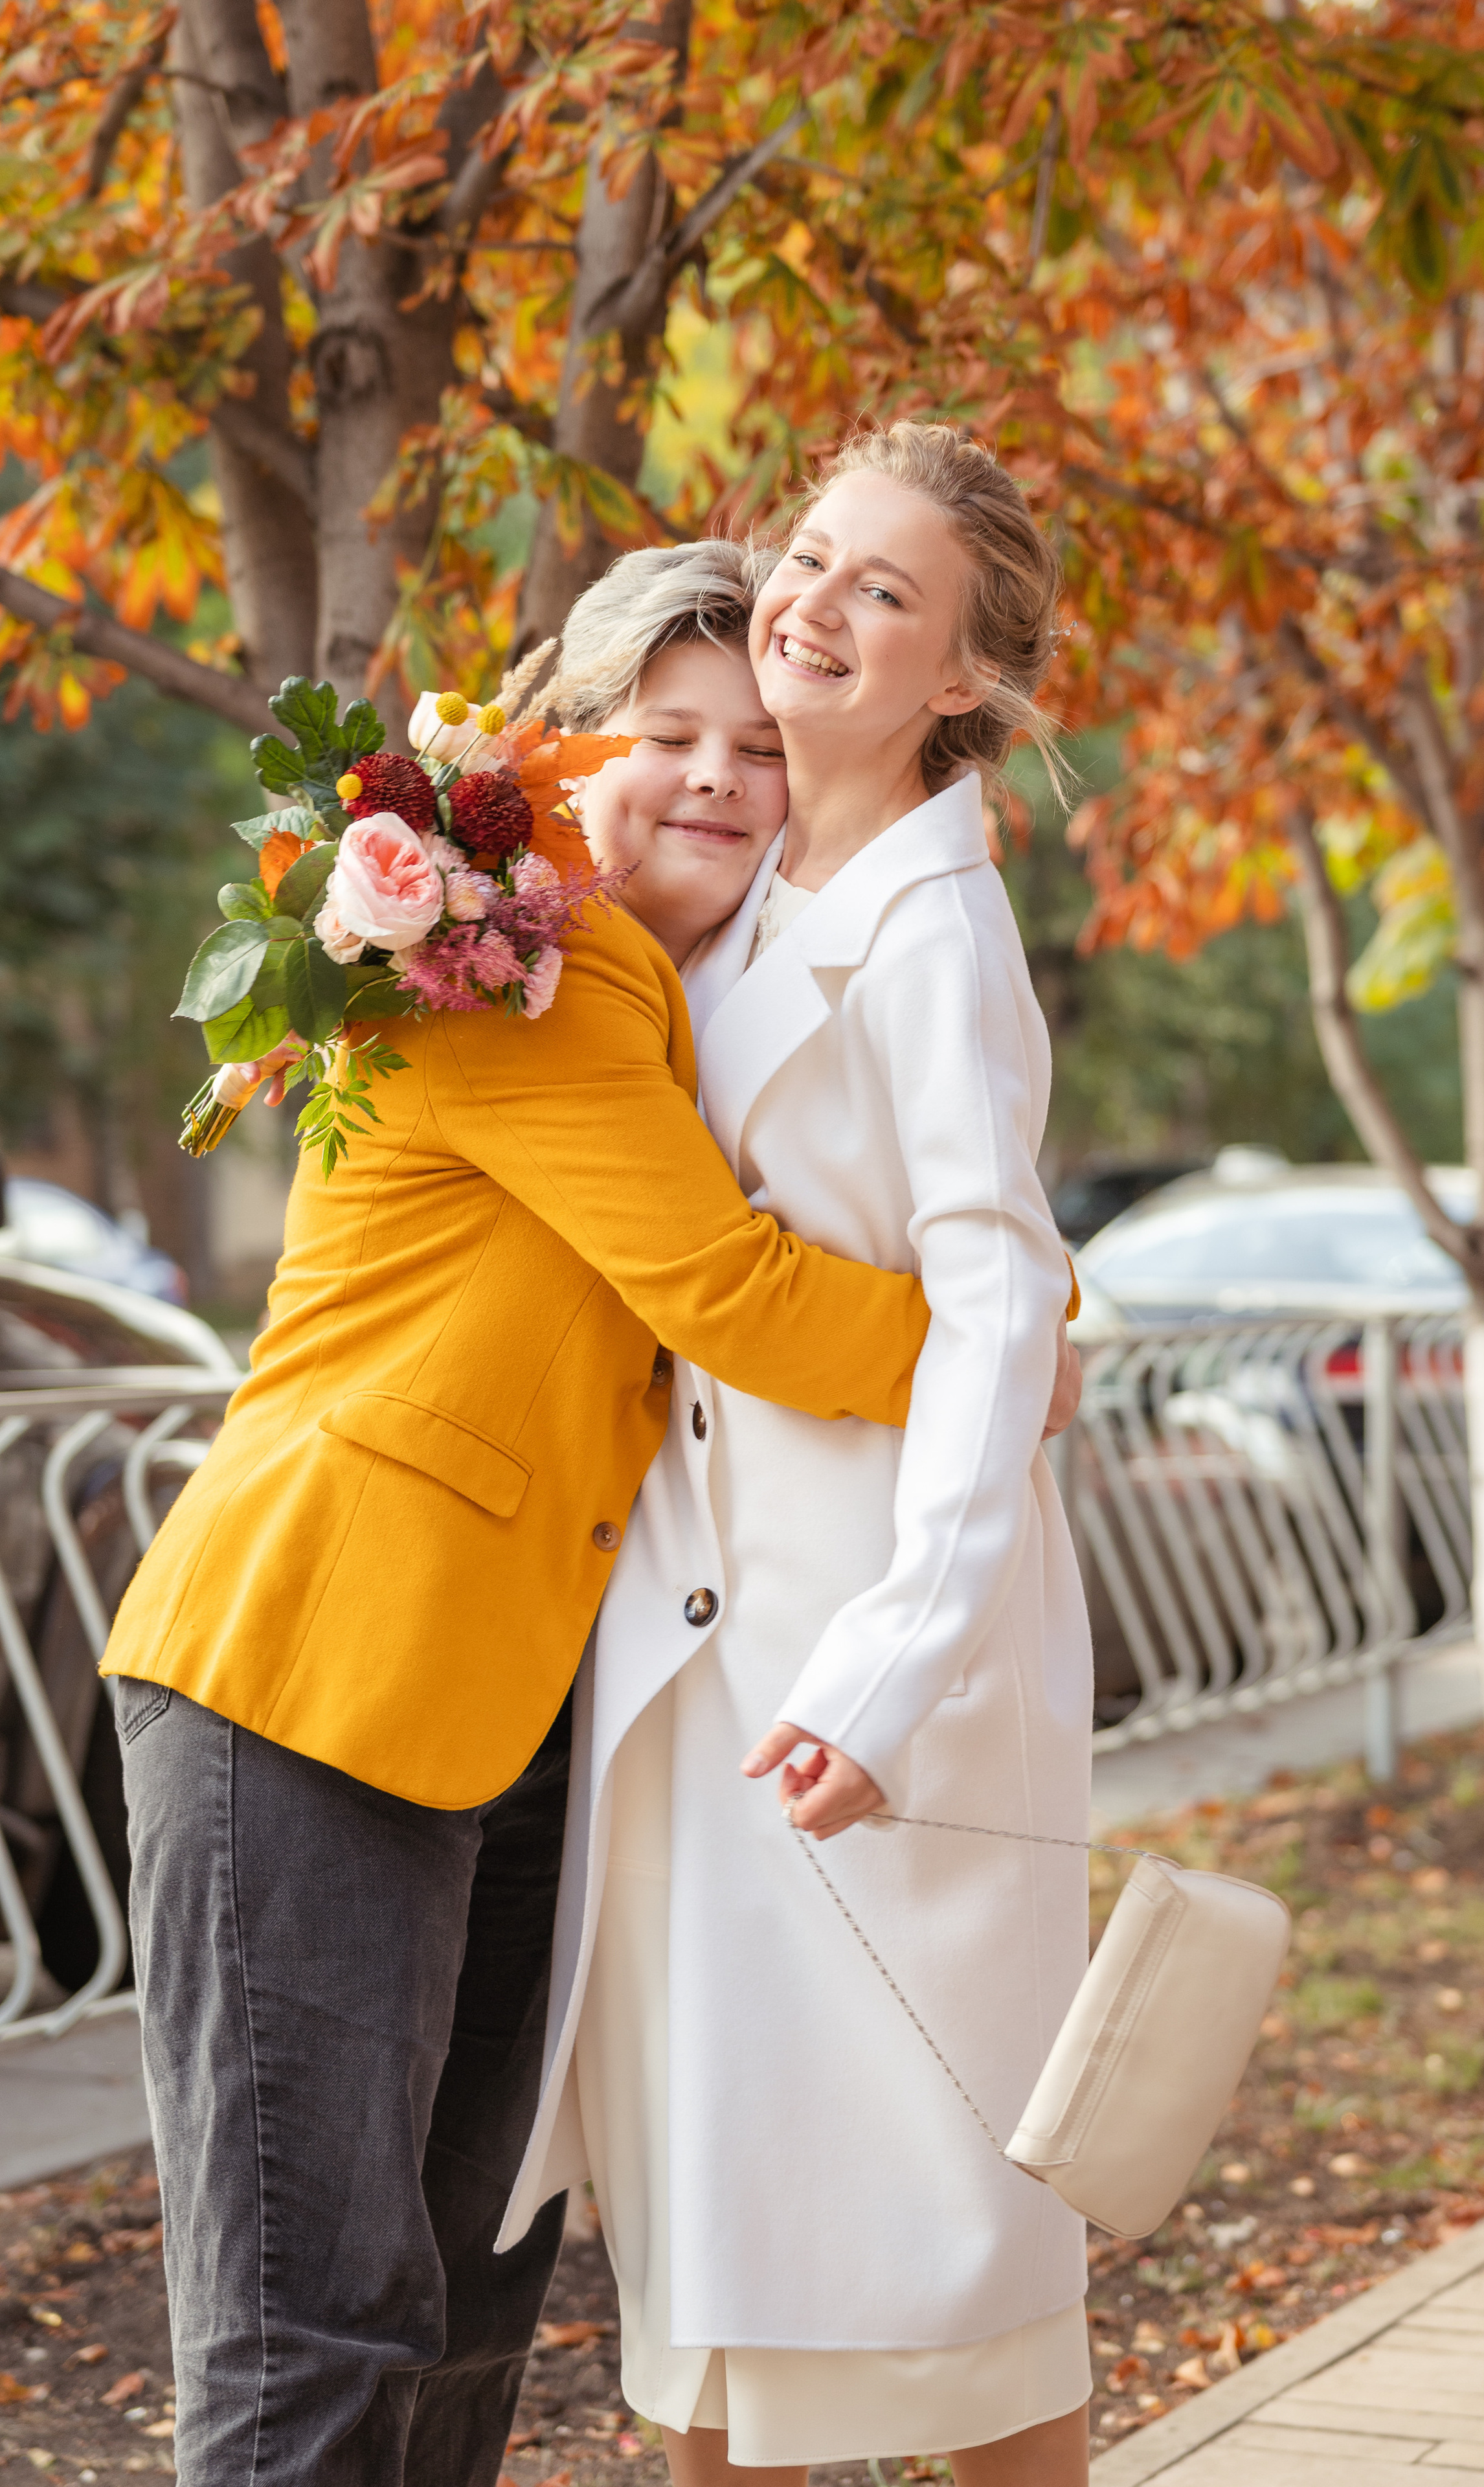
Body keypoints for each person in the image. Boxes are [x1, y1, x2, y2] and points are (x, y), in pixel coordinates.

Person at [100, 536, 1077, 2487]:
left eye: (754, 750)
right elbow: (728, 1293)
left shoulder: (669, 991)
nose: (716, 777)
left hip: (508, 1716)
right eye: (666, 735)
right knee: (316, 2321)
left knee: (465, 2306)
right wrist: (1002, 1326)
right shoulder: (518, 971)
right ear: (565, 746)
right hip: (309, 1671)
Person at [500, 426, 1096, 2487]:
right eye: (815, 558)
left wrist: (884, 1676)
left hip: (866, 1686)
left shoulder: (936, 929)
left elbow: (1001, 1308)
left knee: (957, 2277)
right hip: (694, 1676)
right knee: (719, 2280)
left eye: (886, 594)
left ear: (957, 679)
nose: (819, 607)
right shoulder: (745, 905)